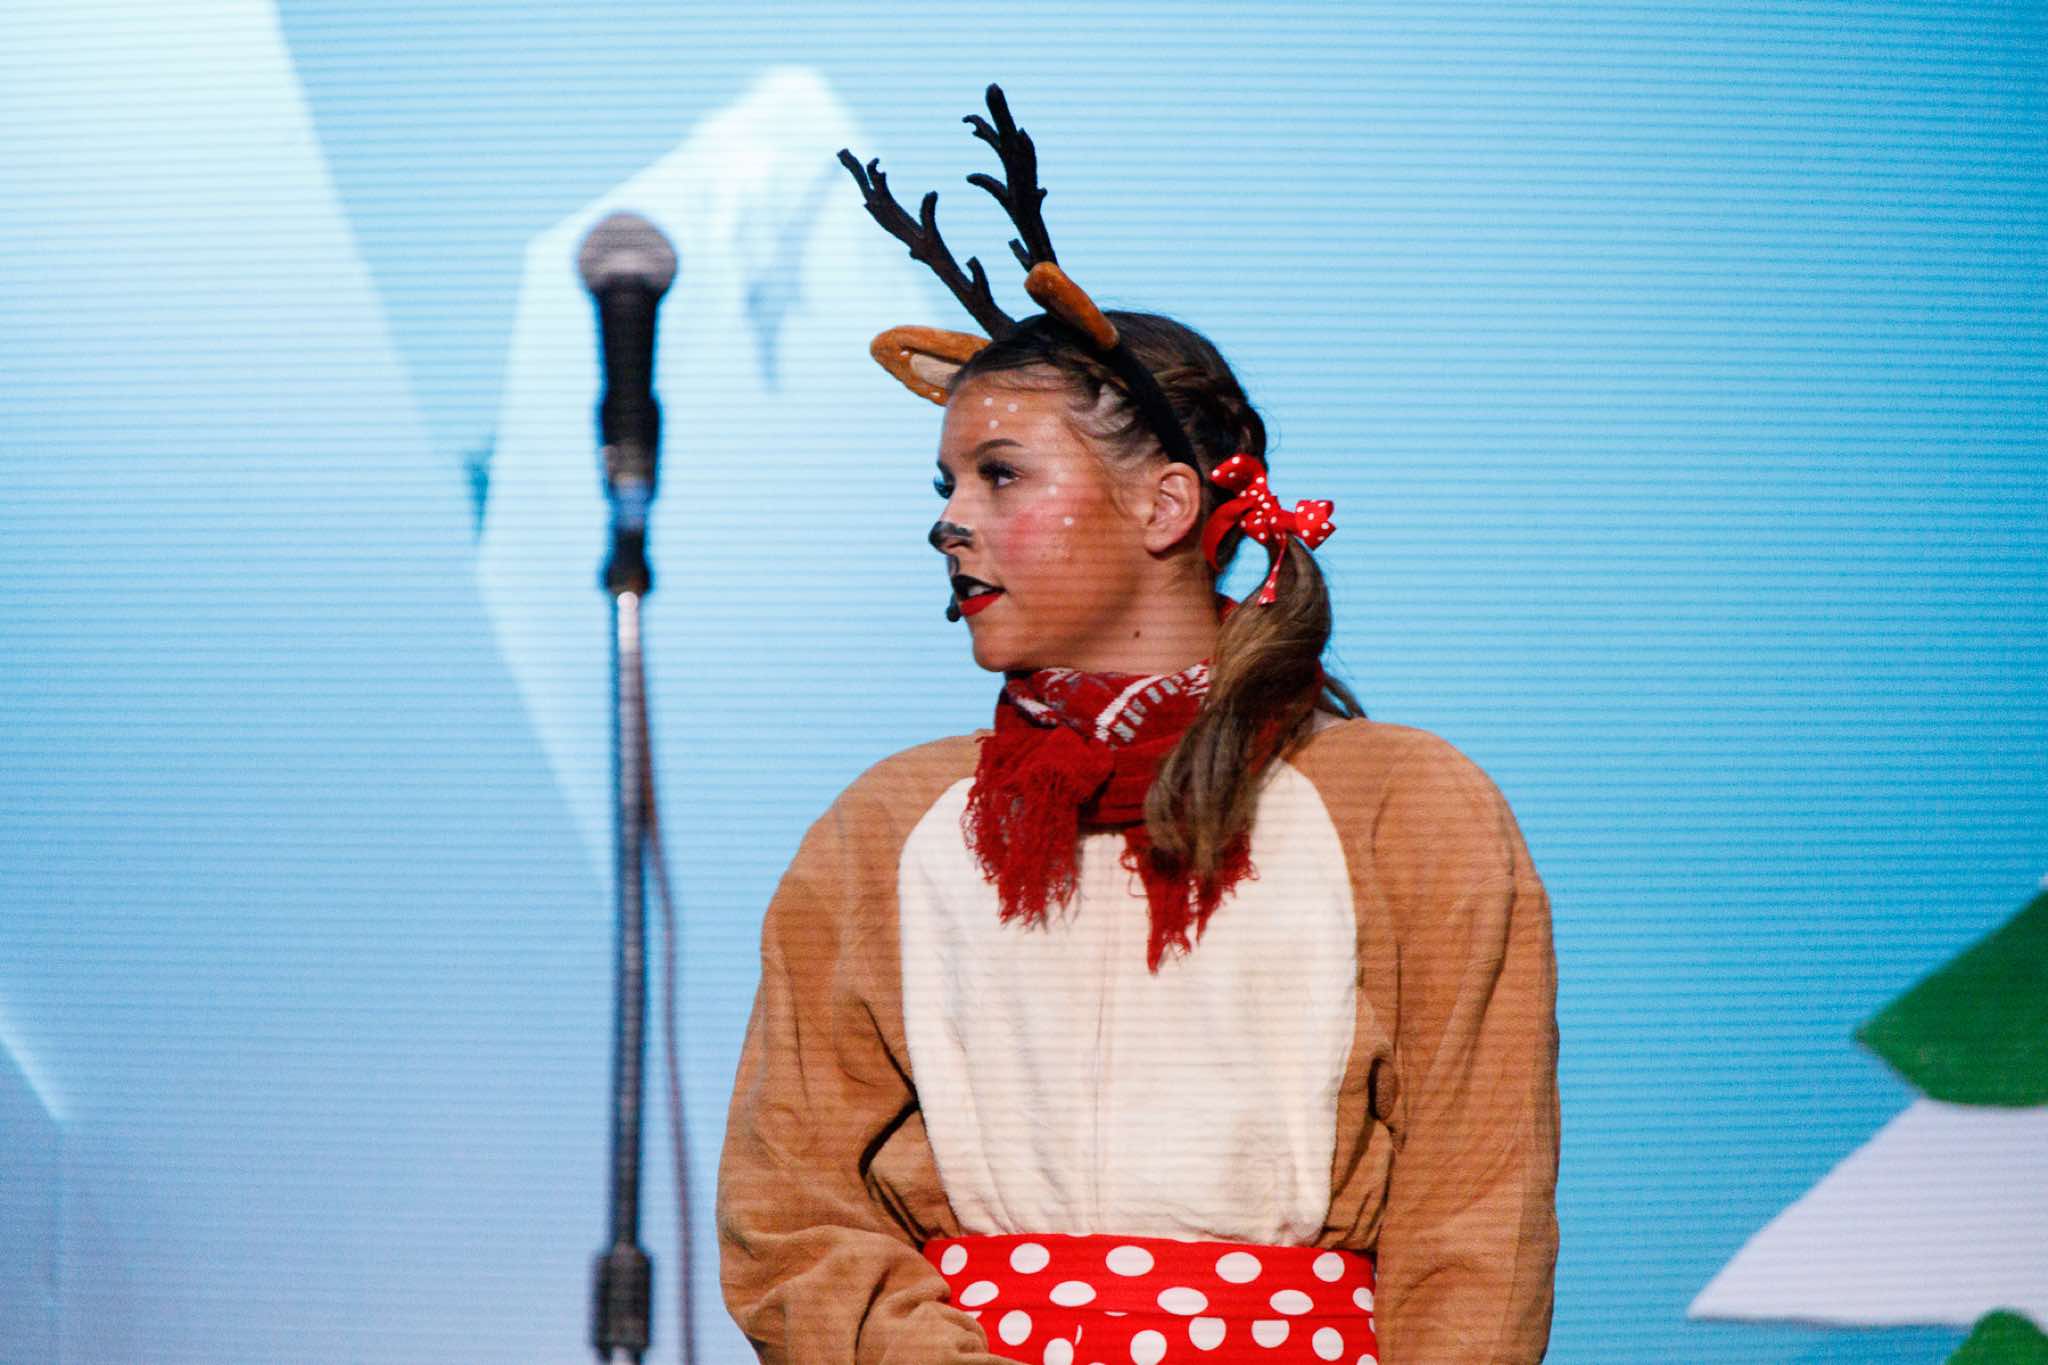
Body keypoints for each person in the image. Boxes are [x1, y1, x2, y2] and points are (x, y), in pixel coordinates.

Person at [716, 86, 1558, 1365]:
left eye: (1001, 475)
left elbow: (1474, 1227)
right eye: (945, 483)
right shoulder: (888, 827)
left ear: (1166, 505)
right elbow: (791, 1214)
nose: (949, 520)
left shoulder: (1404, 808)